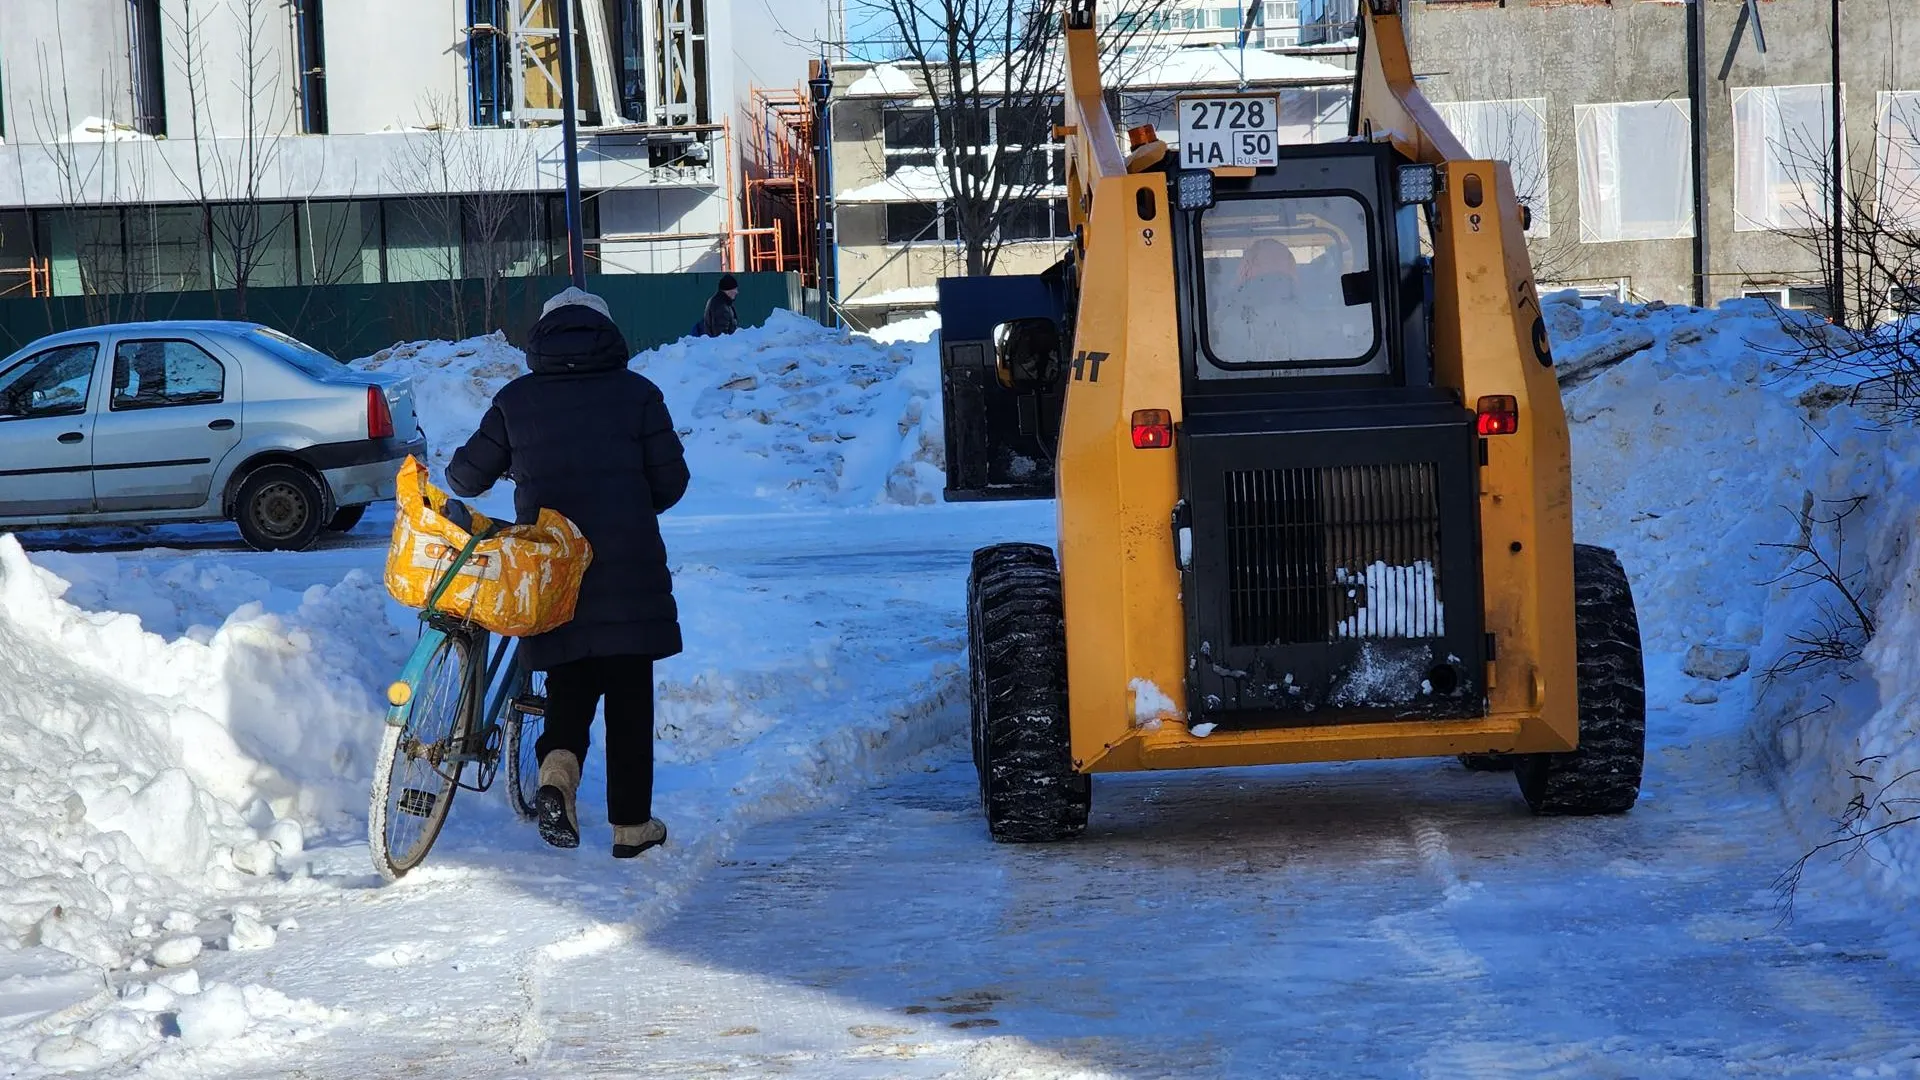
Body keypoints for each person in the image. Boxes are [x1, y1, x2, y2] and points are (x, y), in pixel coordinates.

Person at [447, 287, 690, 859]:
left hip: (553, 567)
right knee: (630, 693)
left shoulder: (516, 400)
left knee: (569, 681)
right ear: (608, 335)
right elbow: (672, 483)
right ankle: (631, 827)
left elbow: (465, 478)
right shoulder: (639, 394)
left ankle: (558, 770)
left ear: (542, 337)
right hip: (628, 570)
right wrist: (627, 503)